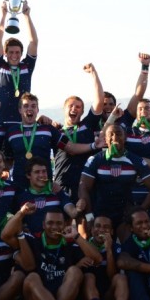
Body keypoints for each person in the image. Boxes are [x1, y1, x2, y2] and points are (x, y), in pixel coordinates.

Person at [78, 123, 150, 240]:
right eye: (111, 135)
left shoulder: (135, 160)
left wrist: (139, 211)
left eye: (119, 134)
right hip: (101, 213)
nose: (115, 138)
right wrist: (90, 216)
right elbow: (83, 187)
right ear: (105, 139)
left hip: (124, 215)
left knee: (125, 249)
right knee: (97, 248)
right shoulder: (95, 159)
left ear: (125, 137)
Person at [3, 206, 102, 300]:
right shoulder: (33, 240)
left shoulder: (70, 245)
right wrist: (22, 212)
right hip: (37, 295)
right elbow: (6, 236)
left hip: (63, 294)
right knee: (32, 278)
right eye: (50, 223)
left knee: (75, 271)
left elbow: (98, 259)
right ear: (43, 225)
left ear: (64, 225)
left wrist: (76, 236)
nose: (54, 227)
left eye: (59, 223)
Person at [3, 92, 99, 190]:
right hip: (20, 185)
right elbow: (8, 162)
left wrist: (94, 145)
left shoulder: (48, 129)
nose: (30, 109)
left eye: (33, 106)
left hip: (44, 186)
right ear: (20, 110)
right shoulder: (11, 132)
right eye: (26, 106)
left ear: (37, 110)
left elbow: (71, 148)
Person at [53, 63, 104, 203]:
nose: (74, 109)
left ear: (82, 111)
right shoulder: (55, 132)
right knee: (62, 223)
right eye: (71, 106)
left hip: (86, 183)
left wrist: (94, 73)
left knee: (85, 220)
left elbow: (99, 101)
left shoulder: (87, 125)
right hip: (62, 183)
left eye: (78, 107)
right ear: (64, 109)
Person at [0, 0, 38, 123]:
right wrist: (3, 16)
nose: (14, 55)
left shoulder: (26, 66)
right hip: (3, 122)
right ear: (5, 53)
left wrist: (27, 16)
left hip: (23, 122)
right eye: (11, 52)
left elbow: (33, 42)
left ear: (21, 54)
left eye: (17, 52)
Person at [15, 157, 81, 236]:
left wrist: (79, 206)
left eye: (44, 171)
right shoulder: (22, 197)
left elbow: (72, 214)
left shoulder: (57, 193)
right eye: (37, 172)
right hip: (32, 244)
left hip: (56, 241)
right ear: (28, 175)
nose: (42, 175)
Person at [117, 207, 150, 300]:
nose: (145, 226)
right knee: (133, 273)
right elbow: (122, 262)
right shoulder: (129, 244)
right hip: (140, 291)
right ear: (131, 228)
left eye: (147, 221)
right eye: (139, 223)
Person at [82, 215, 129, 300]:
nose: (101, 230)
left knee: (121, 278)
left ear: (111, 231)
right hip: (88, 293)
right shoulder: (83, 246)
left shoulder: (117, 248)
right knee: (89, 276)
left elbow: (112, 277)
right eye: (98, 226)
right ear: (92, 229)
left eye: (106, 227)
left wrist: (109, 250)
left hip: (109, 292)